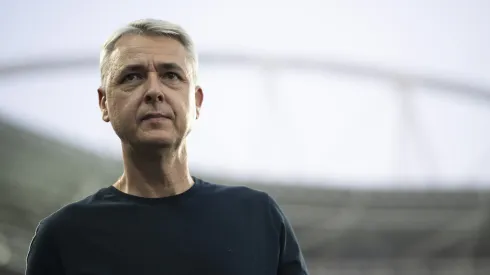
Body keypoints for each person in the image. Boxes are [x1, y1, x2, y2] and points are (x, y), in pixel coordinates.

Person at [26, 18, 309, 275]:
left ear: (196, 101)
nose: (154, 91)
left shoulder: (258, 216)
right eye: (132, 76)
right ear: (104, 104)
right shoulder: (62, 237)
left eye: (171, 75)